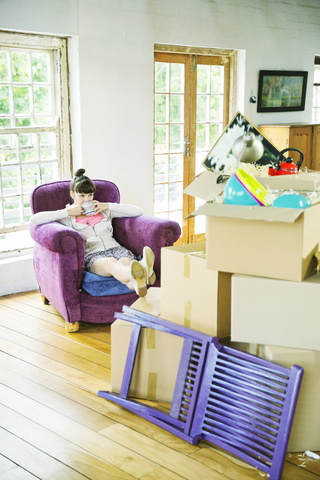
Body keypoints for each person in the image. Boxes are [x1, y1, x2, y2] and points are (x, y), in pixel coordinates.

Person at [30, 169, 155, 297]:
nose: (86, 199)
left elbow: (138, 211)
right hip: (94, 255)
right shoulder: (68, 216)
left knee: (126, 263)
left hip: (116, 248)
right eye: (82, 195)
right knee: (110, 262)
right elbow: (34, 219)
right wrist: (68, 212)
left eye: (90, 195)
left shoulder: (103, 210)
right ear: (72, 194)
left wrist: (107, 205)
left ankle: (138, 281)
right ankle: (144, 271)